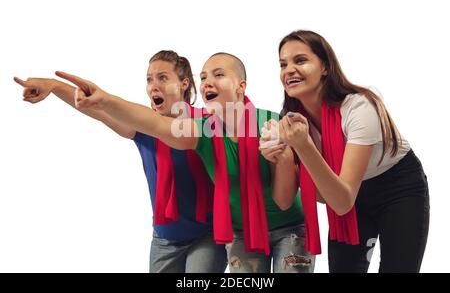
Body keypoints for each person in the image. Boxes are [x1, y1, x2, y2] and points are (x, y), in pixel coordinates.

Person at [52, 52, 315, 273]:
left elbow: (283, 200)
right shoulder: (201, 130)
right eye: (204, 77)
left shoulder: (269, 123)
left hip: (288, 228)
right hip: (237, 233)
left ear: (241, 86)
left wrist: (283, 157)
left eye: (218, 75)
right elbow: (154, 123)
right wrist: (104, 99)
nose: (207, 82)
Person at [14, 50, 227, 273]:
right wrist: (54, 86)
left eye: (163, 78)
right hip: (165, 237)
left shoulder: (206, 123)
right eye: (149, 79)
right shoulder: (141, 125)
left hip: (207, 234)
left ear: (184, 84)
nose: (154, 85)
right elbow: (96, 109)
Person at [261, 30, 429, 273]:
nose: (288, 70)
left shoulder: (360, 106)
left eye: (300, 60)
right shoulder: (291, 124)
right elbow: (286, 200)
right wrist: (284, 159)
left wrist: (303, 146)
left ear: (326, 67)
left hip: (397, 186)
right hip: (347, 194)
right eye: (283, 64)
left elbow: (341, 202)